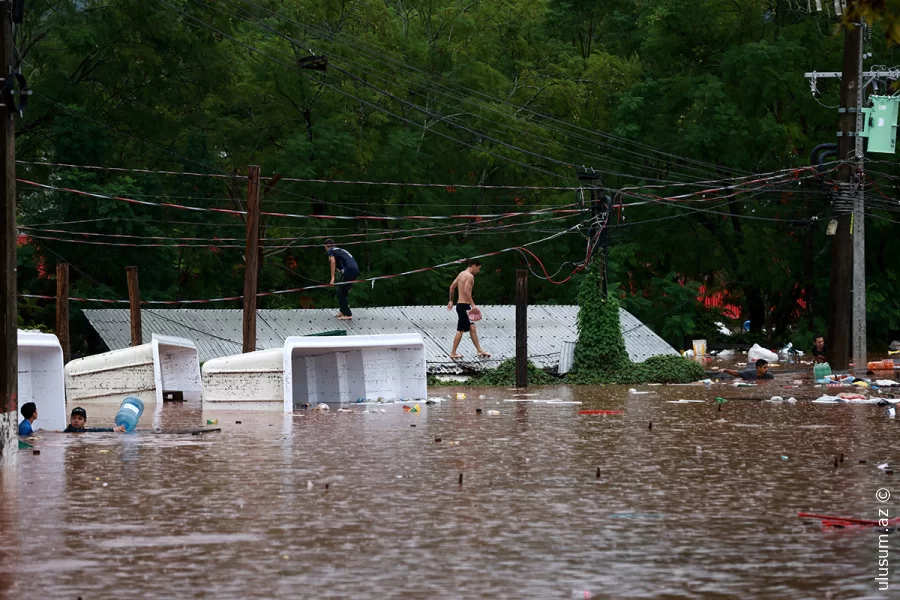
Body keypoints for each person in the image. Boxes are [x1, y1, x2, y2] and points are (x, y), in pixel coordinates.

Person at [447, 260, 490, 359]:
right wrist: (473, 305)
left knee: (472, 327)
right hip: (464, 306)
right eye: (478, 268)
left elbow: (452, 287)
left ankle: (479, 350)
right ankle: (453, 352)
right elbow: (466, 291)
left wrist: (451, 301)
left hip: (462, 306)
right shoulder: (470, 276)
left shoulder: (461, 274)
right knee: (460, 329)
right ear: (473, 266)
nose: (478, 271)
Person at [325, 239, 360, 320]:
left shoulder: (330, 251)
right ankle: (342, 311)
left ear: (325, 247)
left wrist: (332, 278)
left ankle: (348, 314)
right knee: (343, 291)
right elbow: (341, 267)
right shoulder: (340, 251)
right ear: (334, 245)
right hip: (354, 270)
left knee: (340, 292)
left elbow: (333, 262)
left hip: (349, 270)